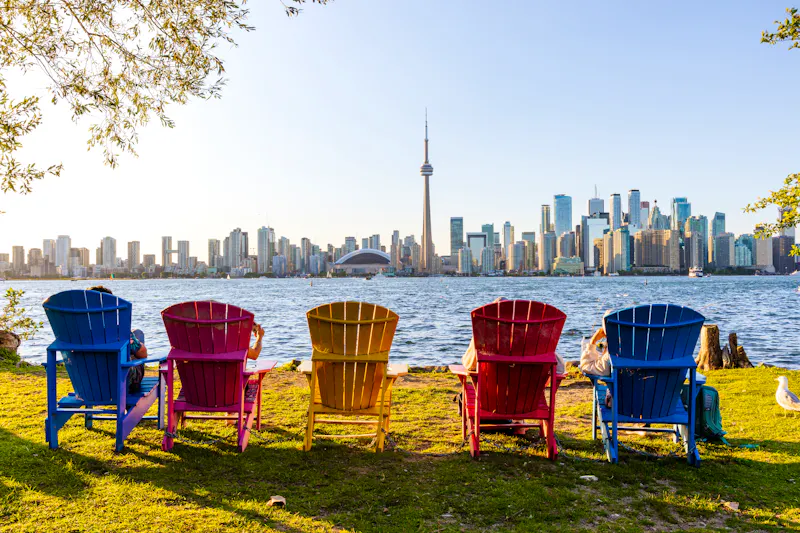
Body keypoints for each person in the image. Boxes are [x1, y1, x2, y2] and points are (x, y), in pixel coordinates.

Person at [88, 286, 148, 393]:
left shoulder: (75, 332)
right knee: (137, 337)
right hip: (122, 384)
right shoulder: (119, 331)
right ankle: (129, 406)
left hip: (87, 384)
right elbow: (143, 354)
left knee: (136, 333)